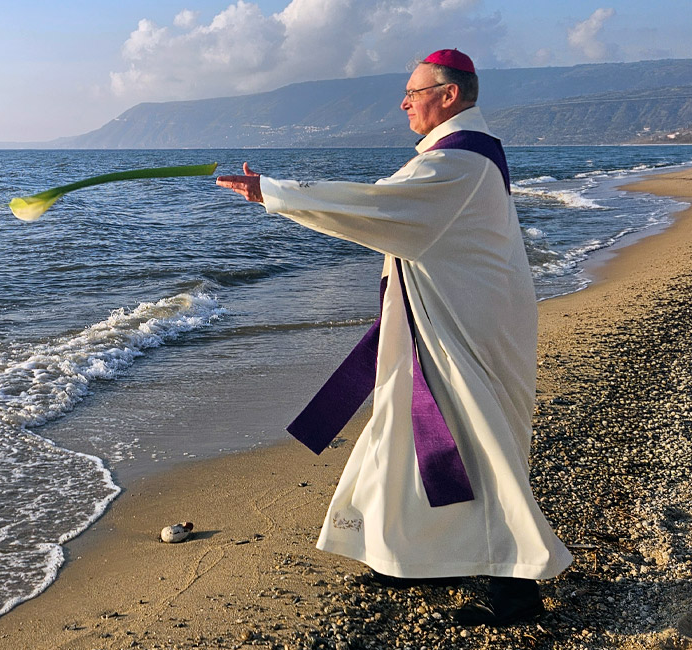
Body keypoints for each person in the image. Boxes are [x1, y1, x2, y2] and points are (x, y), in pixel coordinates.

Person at [216, 49, 571, 626]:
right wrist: (278, 195)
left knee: (475, 443)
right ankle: (425, 555)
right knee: (410, 433)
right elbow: (391, 208)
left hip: (464, 327)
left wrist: (274, 193)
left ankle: (517, 589)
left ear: (448, 95)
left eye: (413, 91)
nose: (403, 102)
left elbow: (379, 207)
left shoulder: (458, 162)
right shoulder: (459, 157)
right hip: (451, 317)